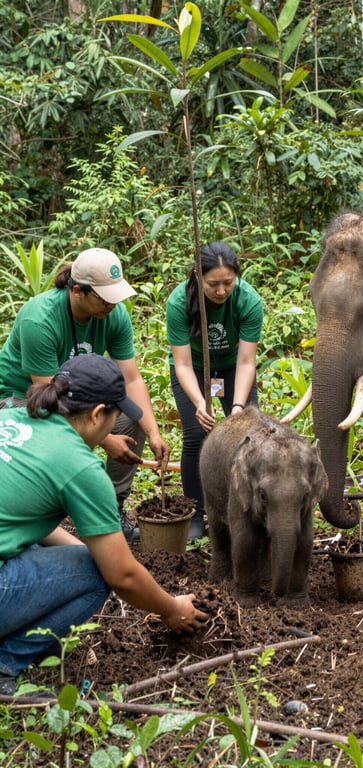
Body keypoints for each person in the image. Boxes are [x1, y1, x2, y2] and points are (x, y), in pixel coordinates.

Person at [0, 354, 208, 696]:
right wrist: (171, 609)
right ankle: (5, 661)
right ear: (98, 414)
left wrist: (88, 551)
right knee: (99, 573)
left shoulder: (11, 418)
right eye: (116, 415)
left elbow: (22, 521)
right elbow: (122, 577)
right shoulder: (79, 466)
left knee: (87, 558)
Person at [0, 247, 170, 542]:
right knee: (44, 431)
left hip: (77, 396)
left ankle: (112, 505)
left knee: (130, 418)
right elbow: (49, 399)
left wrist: (153, 432)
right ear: (78, 291)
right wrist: (105, 441)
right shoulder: (39, 319)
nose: (113, 305)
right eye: (105, 298)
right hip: (21, 397)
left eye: (116, 297)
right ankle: (37, 513)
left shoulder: (112, 315)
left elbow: (131, 380)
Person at [165, 241, 264, 539]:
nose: (221, 291)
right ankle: (196, 513)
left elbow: (247, 361)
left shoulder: (248, 301)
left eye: (228, 283)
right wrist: (199, 401)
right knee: (196, 435)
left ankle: (248, 510)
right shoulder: (178, 302)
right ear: (197, 276)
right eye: (212, 284)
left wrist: (236, 408)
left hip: (233, 367)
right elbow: (181, 363)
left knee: (250, 433)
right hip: (193, 369)